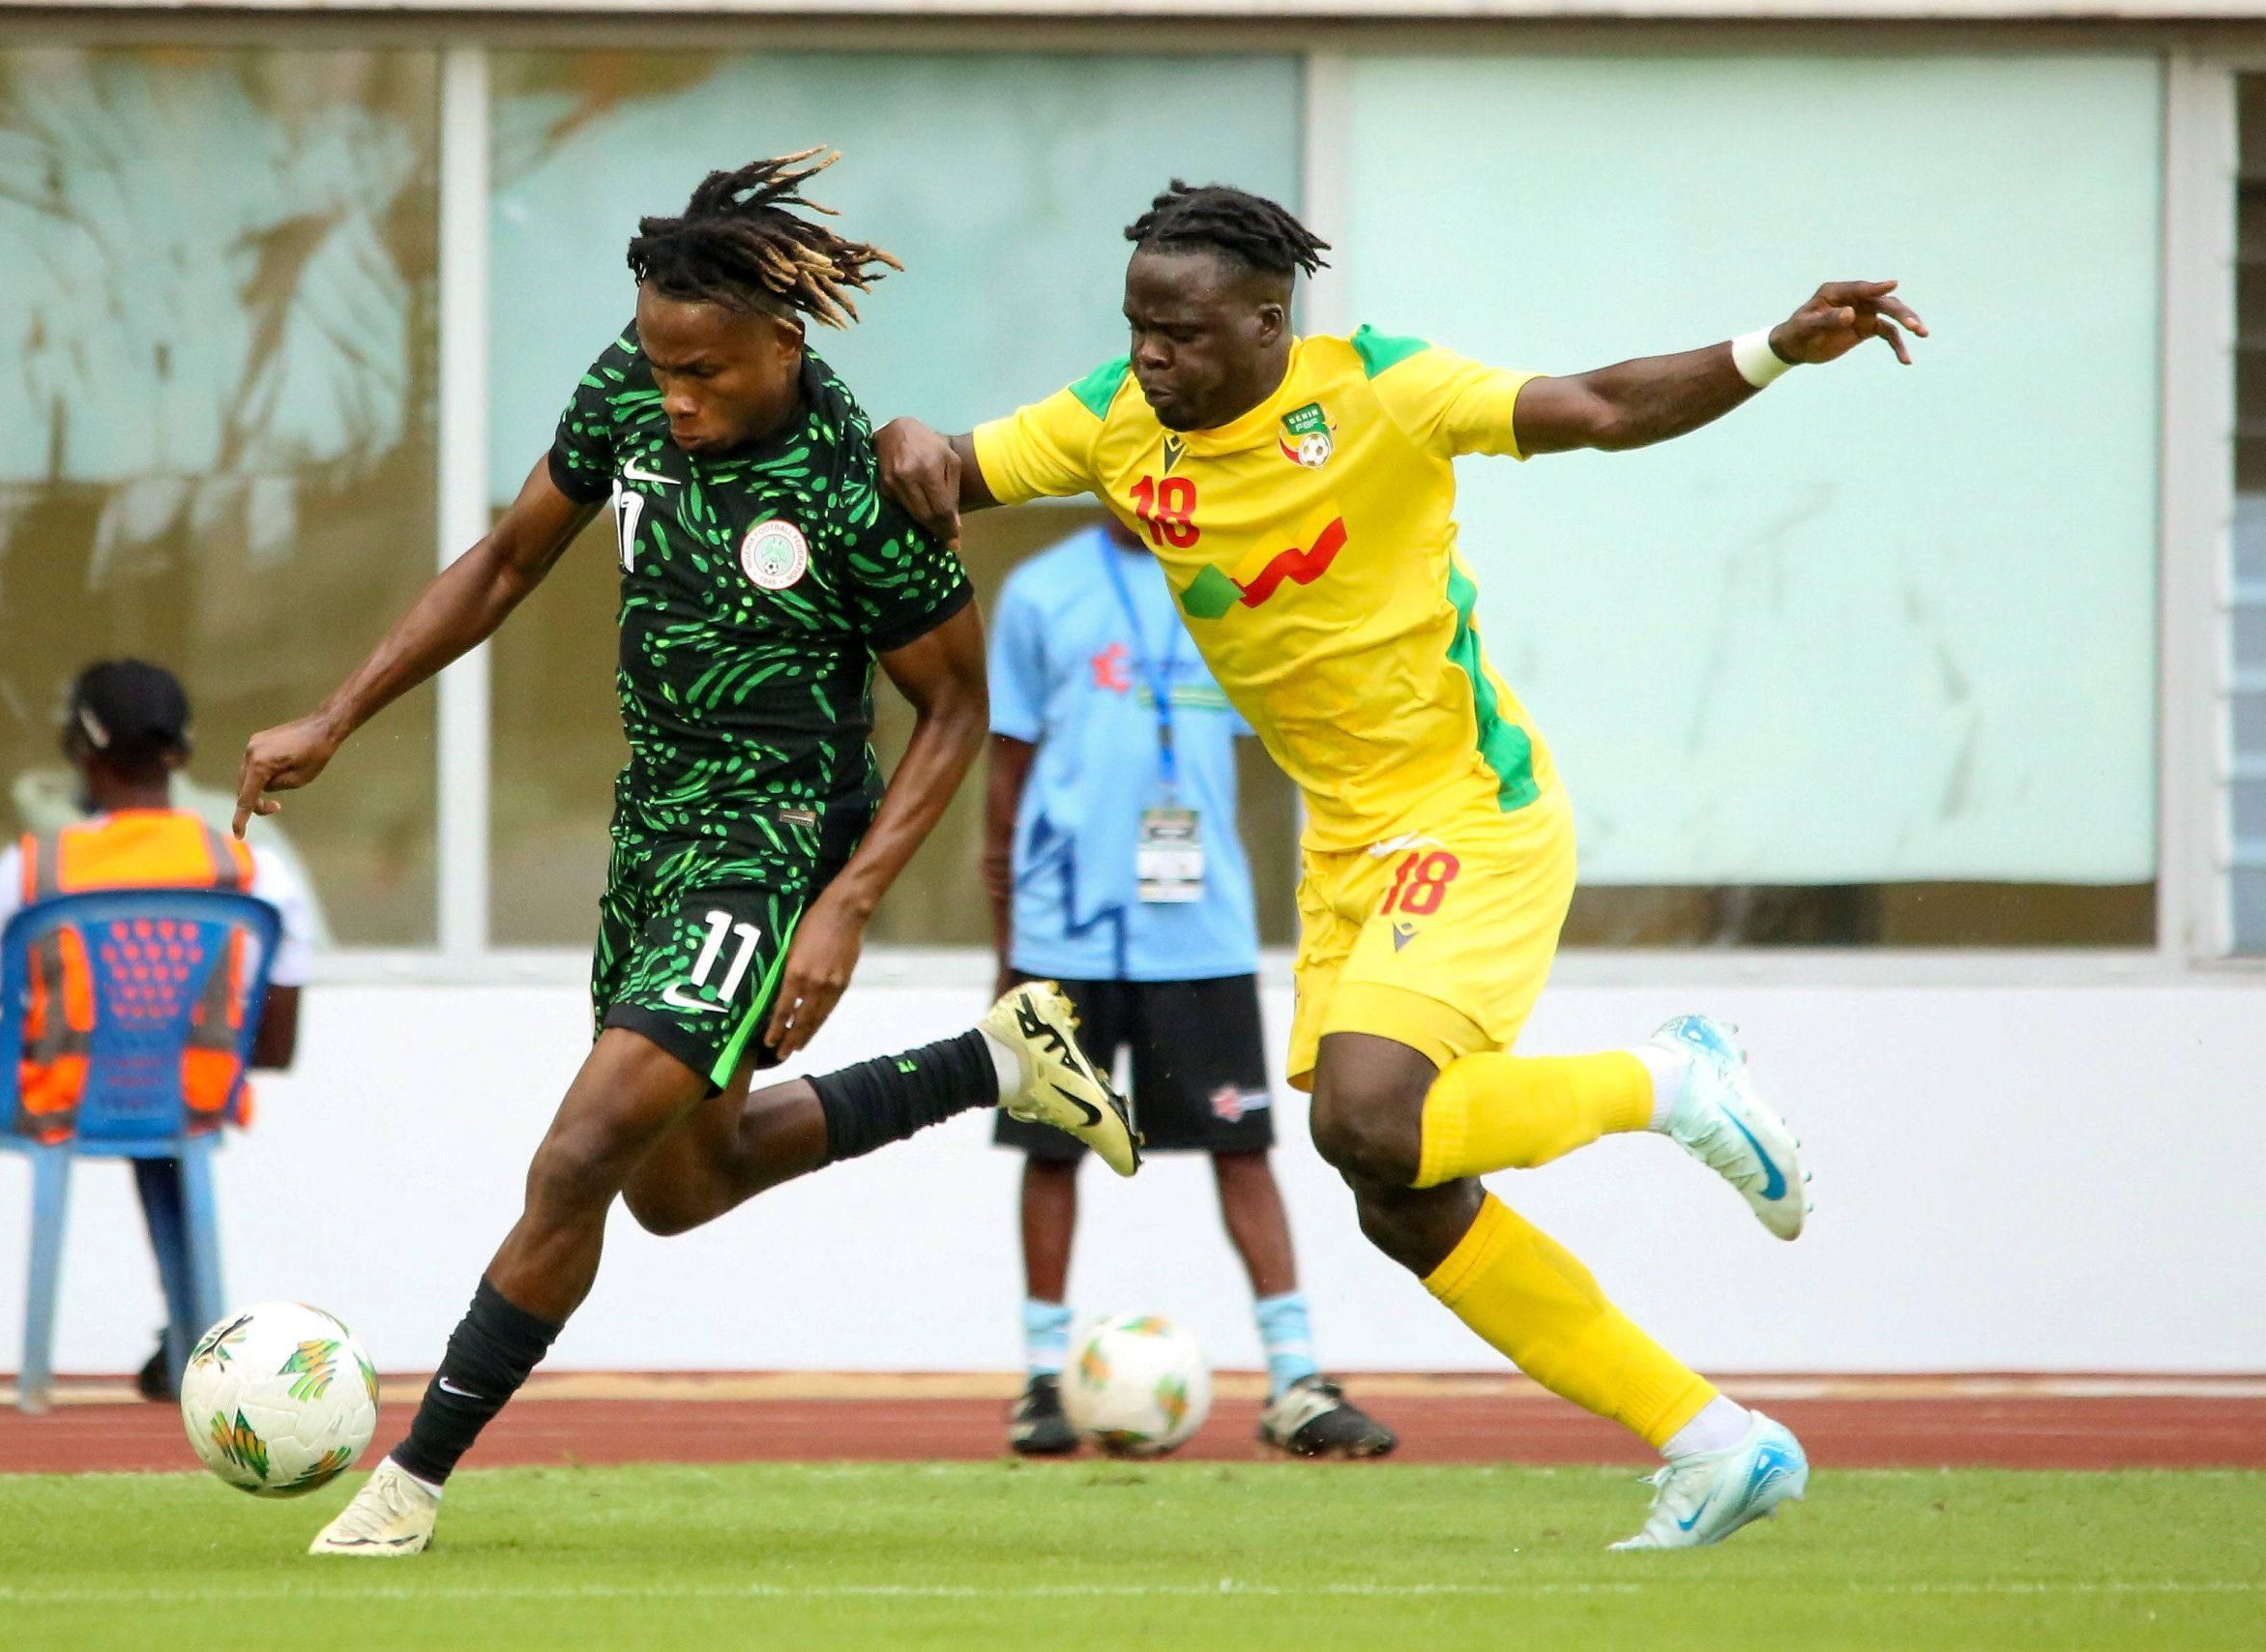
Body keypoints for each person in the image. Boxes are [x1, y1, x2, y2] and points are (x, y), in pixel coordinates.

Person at [875, 181, 1928, 1549]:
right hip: (1349, 845)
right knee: (1403, 1198)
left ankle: (1670, 1078)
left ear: (1268, 322)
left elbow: (1601, 407)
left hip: (1469, 812)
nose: (1151, 356)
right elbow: (944, 466)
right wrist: (902, 436)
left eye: (1182, 333)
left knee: (1366, 1119)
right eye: (1138, 325)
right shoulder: (1112, 422)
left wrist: (1772, 349)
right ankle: (1714, 1440)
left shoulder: (1377, 390)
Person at [230, 152, 1135, 1558]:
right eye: (660, 364)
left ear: (785, 340)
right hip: (655, 828)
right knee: (676, 1186)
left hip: (774, 844)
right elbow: (507, 560)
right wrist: (337, 717)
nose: (675, 397)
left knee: (580, 1151)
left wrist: (844, 907)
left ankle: (407, 1484)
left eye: (703, 372)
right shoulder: (633, 388)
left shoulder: (857, 490)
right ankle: (1000, 1062)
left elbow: (956, 708)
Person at [0, 660, 314, 1405]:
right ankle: (190, 1341)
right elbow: (272, 1050)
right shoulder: (256, 874)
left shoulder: (33, 870)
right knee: (149, 1092)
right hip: (185, 1100)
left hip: (47, 1100)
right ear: (184, 753)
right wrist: (152, 1038)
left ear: (83, 753)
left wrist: (57, 1034)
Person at [984, 516, 1393, 1459]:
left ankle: (1294, 1380)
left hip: (1198, 926)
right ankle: (1043, 1379)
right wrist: (1009, 939)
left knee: (1241, 1148)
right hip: (1067, 928)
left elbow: (1309, 740)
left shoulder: (1236, 586)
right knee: (1051, 1150)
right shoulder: (1043, 594)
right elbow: (1004, 771)